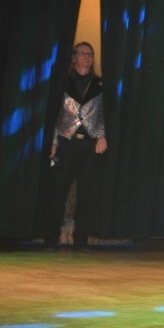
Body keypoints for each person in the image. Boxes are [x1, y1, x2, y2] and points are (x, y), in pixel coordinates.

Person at [44, 41, 107, 250]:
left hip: (90, 144)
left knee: (86, 193)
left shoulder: (100, 84)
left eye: (90, 53)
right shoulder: (63, 82)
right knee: (58, 191)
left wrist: (102, 136)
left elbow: (104, 114)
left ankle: (81, 240)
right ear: (74, 57)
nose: (87, 57)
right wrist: (54, 142)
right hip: (66, 141)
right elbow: (56, 115)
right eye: (82, 53)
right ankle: (51, 238)